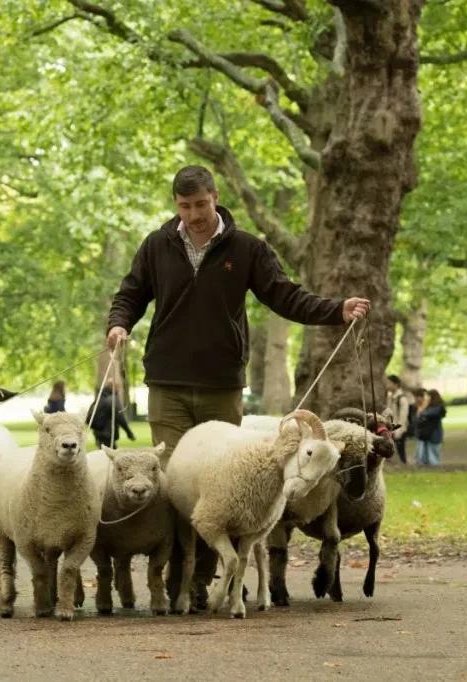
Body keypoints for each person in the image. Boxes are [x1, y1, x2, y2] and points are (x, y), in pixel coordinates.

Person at [106, 165, 370, 607]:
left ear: (215, 197)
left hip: (220, 383)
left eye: (201, 205)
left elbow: (286, 295)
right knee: (173, 483)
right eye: (185, 207)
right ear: (177, 206)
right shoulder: (157, 245)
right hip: (166, 381)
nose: (194, 215)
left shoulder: (246, 248)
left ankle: (207, 580)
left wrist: (335, 310)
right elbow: (130, 294)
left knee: (219, 485)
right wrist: (118, 325)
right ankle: (176, 574)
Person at [415, 389, 447, 467]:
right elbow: (419, 416)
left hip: (434, 433)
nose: (426, 398)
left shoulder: (437, 407)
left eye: (428, 396)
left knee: (433, 455)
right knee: (426, 454)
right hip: (427, 434)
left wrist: (422, 410)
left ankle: (434, 467)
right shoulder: (429, 406)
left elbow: (425, 414)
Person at [385, 375, 410, 464]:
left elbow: (403, 417)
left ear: (396, 384)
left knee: (400, 450)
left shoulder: (402, 398)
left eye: (389, 383)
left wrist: (398, 431)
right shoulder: (390, 397)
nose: (387, 385)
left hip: (399, 430)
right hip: (391, 428)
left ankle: (403, 465)